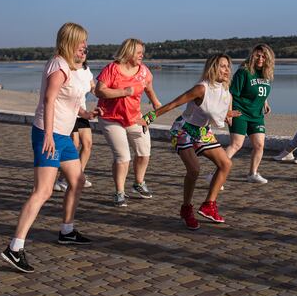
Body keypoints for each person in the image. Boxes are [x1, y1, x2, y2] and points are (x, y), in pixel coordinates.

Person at [1, 23, 92, 274]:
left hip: (63, 136)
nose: (84, 45)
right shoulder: (59, 65)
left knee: (77, 181)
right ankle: (15, 247)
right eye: (81, 41)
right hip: (48, 134)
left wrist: (86, 113)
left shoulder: (70, 67)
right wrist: (49, 135)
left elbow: (67, 101)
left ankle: (67, 231)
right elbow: (49, 100)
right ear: (69, 41)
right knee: (43, 191)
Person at [140, 54, 240, 230]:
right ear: (212, 68)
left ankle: (209, 205)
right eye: (222, 66)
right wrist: (149, 117)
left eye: (228, 66)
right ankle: (186, 209)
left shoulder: (226, 92)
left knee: (226, 164)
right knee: (194, 170)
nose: (226, 70)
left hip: (203, 132)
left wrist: (227, 115)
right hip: (184, 129)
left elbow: (215, 111)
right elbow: (174, 103)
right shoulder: (201, 88)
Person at [95, 39, 161, 207]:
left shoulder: (144, 71)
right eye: (138, 52)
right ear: (129, 52)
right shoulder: (112, 69)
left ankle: (139, 183)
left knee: (144, 152)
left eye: (142, 52)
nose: (142, 55)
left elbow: (148, 88)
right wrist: (124, 92)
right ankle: (119, 192)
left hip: (134, 117)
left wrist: (156, 103)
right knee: (123, 157)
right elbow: (99, 91)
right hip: (111, 118)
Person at [222, 44, 275, 184]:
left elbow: (261, 89)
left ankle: (253, 174)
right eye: (258, 55)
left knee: (259, 145)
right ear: (252, 56)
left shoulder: (266, 73)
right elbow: (231, 93)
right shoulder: (244, 72)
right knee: (236, 145)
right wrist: (228, 112)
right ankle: (215, 175)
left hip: (256, 115)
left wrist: (265, 102)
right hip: (240, 112)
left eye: (264, 56)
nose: (260, 59)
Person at [55, 58, 96, 192]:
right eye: (81, 50)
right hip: (69, 112)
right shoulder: (67, 69)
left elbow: (93, 87)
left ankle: (78, 175)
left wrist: (103, 91)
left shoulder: (86, 69)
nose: (83, 54)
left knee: (88, 144)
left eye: (85, 51)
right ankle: (62, 179)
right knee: (74, 144)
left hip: (82, 111)